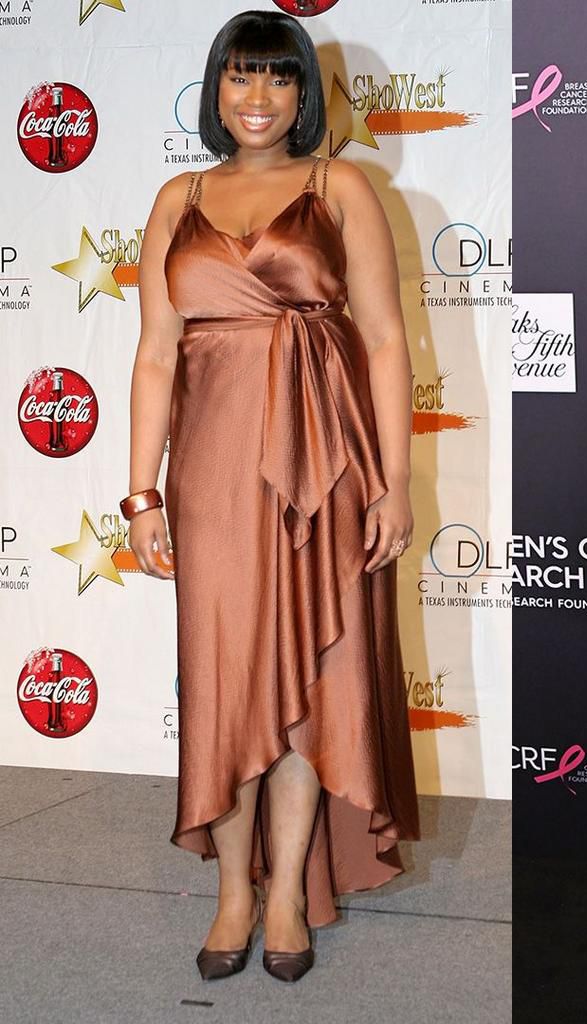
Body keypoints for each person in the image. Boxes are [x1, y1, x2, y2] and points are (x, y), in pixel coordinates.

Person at [123, 10, 421, 983]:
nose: (257, 96)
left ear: (304, 94)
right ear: (216, 89)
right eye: (240, 75)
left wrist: (394, 483)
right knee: (225, 681)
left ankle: (287, 888)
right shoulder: (176, 198)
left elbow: (384, 339)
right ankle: (232, 892)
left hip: (327, 466)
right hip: (211, 471)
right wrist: (141, 493)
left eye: (278, 76)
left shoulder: (341, 187)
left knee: (312, 682)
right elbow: (156, 352)